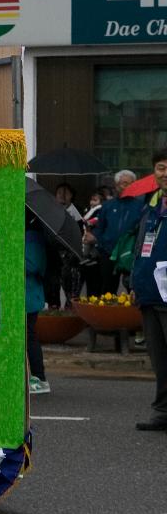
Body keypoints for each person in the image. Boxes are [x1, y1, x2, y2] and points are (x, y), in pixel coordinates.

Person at [131, 149, 167, 431]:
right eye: (160, 167)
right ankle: (162, 412)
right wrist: (135, 283)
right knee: (159, 360)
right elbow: (140, 250)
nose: (164, 173)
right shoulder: (151, 207)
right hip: (149, 294)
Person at [88, 170, 145, 295]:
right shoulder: (107, 206)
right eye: (124, 183)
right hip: (108, 253)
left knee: (133, 289)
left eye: (131, 183)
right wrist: (99, 242)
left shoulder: (141, 206)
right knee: (108, 289)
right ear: (116, 185)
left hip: (130, 253)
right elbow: (99, 228)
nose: (127, 186)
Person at [25, 215, 49, 394]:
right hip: (28, 295)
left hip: (29, 296)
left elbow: (33, 265)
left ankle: (39, 378)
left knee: (29, 337)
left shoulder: (33, 237)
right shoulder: (31, 235)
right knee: (27, 337)